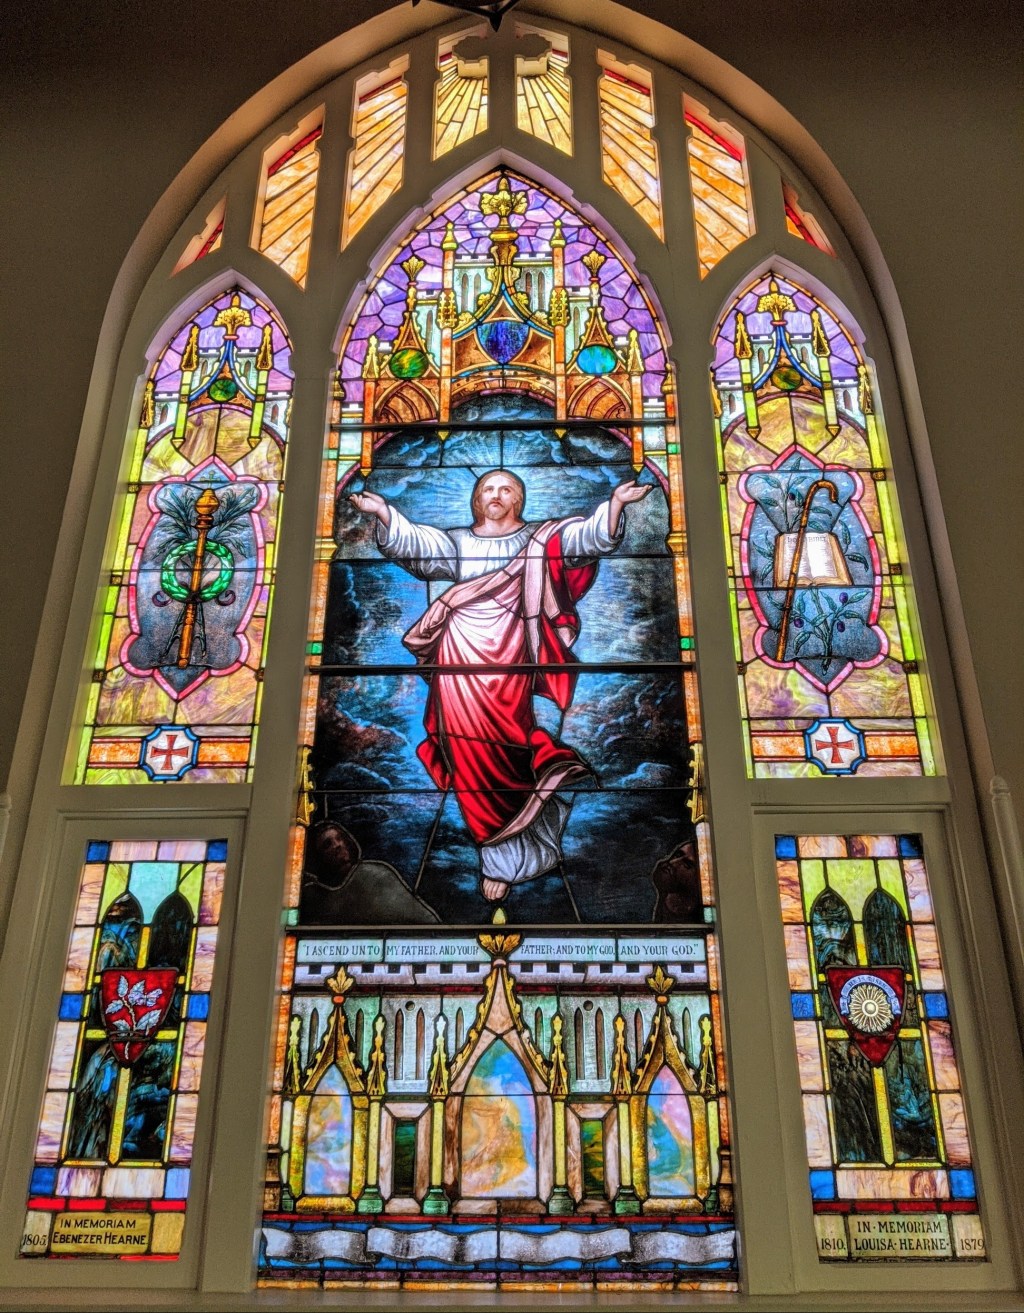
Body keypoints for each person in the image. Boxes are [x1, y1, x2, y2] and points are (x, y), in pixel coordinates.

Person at [350, 469, 651, 903]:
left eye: (506, 488)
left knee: (511, 746)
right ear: (477, 499)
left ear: (518, 499)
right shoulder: (456, 543)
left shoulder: (540, 539)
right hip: (460, 658)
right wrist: (383, 512)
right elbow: (415, 543)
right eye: (488, 489)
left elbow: (585, 539)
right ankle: (497, 858)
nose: (496, 494)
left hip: (513, 657)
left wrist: (616, 504)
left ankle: (520, 840)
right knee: (466, 751)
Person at [300, 820, 439, 924]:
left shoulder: (374, 875)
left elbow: (424, 920)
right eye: (327, 844)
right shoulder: (316, 901)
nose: (337, 845)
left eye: (340, 838)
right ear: (318, 858)